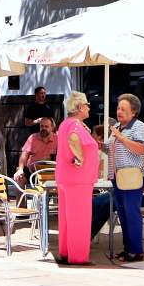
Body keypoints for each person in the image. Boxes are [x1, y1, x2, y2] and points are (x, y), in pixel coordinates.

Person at [55, 92, 99, 266]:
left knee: (66, 218)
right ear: (80, 107)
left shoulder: (65, 123)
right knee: (79, 218)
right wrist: (79, 158)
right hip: (78, 179)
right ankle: (78, 256)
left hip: (66, 177)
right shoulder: (75, 125)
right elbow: (74, 140)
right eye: (87, 104)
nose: (89, 107)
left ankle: (66, 252)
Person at [107, 93, 144, 262]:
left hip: (132, 176)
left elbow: (141, 149)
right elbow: (111, 149)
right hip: (117, 176)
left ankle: (137, 251)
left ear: (134, 112)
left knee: (131, 213)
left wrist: (121, 138)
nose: (119, 111)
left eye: (123, 109)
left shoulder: (138, 126)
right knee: (123, 214)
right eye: (118, 108)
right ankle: (128, 248)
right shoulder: (118, 126)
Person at [14, 117, 56, 182]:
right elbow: (24, 155)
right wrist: (20, 169)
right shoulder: (33, 138)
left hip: (50, 172)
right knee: (19, 177)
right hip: (32, 171)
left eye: (46, 126)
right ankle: (23, 192)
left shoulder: (57, 139)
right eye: (42, 126)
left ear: (52, 128)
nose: (43, 128)